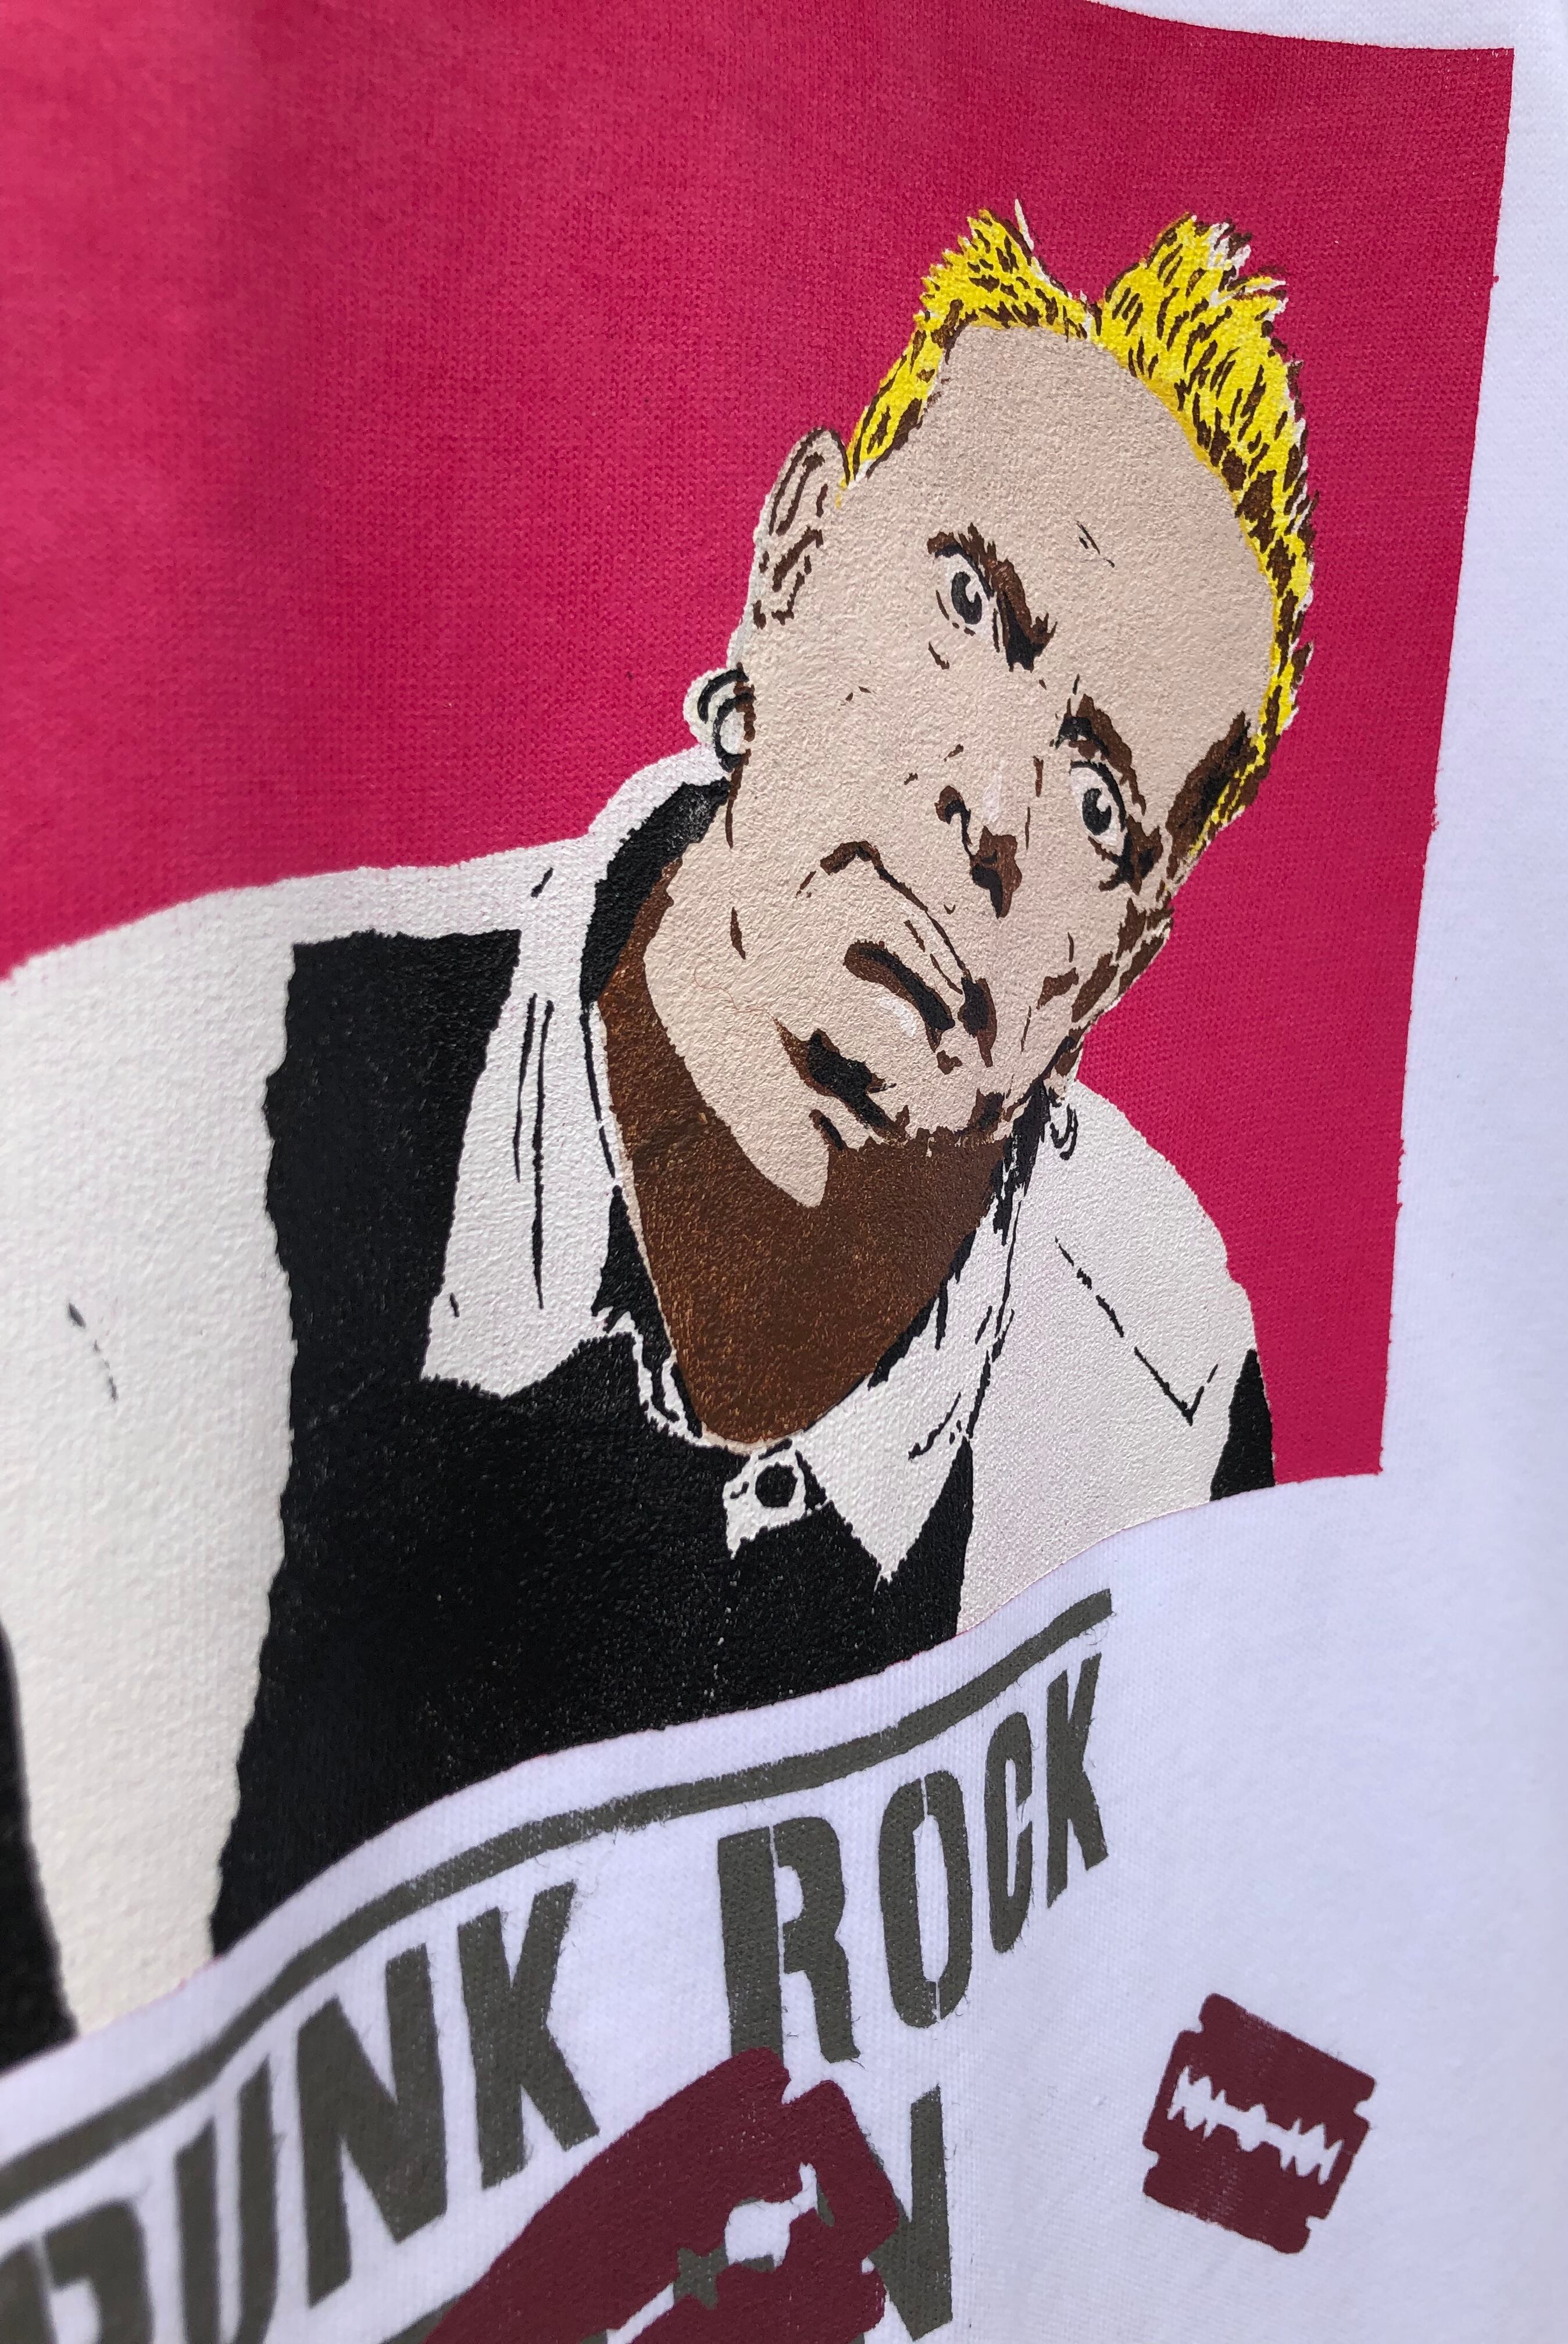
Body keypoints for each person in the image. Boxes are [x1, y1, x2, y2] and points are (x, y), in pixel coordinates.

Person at [0, 210, 1313, 2011]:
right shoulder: (172, 1124)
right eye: (969, 609)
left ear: (1118, 961)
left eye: (1101, 800)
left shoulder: (1161, 1387)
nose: (995, 810)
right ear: (791, 563)